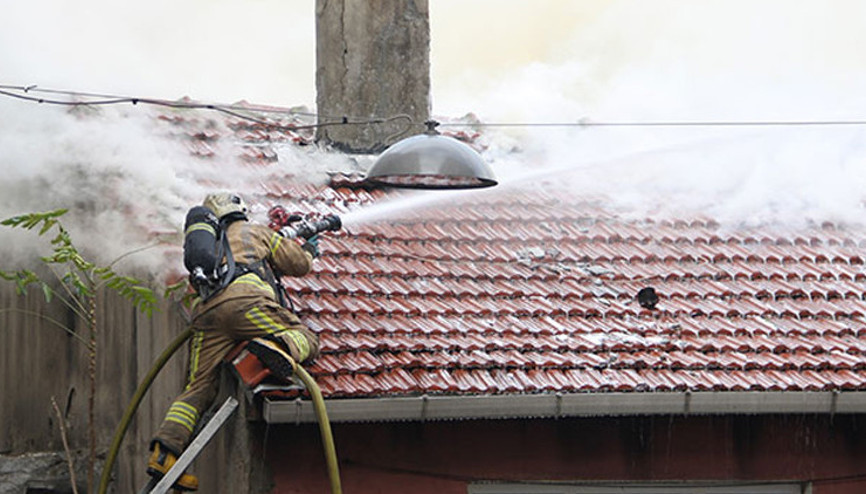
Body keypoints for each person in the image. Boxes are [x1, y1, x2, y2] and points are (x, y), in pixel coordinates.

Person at [146, 192, 321, 491]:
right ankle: (277, 347)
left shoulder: (208, 246)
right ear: (240, 210)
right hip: (247, 305)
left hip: (207, 316)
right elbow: (298, 265)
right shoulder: (256, 232)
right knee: (308, 338)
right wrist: (310, 249)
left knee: (198, 388)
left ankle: (164, 455)